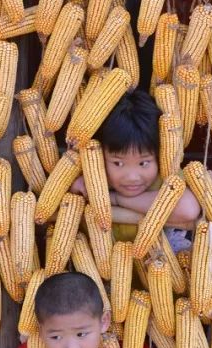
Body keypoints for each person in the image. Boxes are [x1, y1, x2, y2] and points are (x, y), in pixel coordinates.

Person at [73, 89, 201, 242]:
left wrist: (116, 199)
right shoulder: (88, 181)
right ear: (99, 155)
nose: (132, 177)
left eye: (143, 163)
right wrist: (75, 189)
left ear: (159, 155)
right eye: (118, 163)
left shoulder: (165, 177)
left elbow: (188, 209)